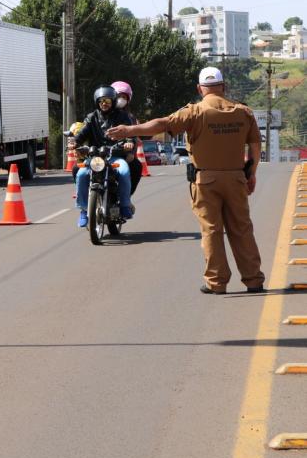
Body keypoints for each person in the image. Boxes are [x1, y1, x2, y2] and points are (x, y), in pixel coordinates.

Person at [106, 66, 265, 294]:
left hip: (206, 181)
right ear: (223, 86)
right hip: (236, 178)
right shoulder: (244, 112)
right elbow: (255, 146)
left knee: (211, 231)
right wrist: (251, 173)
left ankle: (217, 283)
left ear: (200, 89)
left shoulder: (194, 112)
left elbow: (162, 124)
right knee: (242, 229)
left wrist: (129, 130)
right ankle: (254, 280)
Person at [71, 85, 135, 228]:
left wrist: (129, 142)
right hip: (95, 157)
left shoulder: (122, 116)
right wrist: (74, 142)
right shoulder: (91, 117)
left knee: (124, 171)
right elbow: (81, 134)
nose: (104, 104)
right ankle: (83, 210)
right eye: (101, 101)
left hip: (114, 155)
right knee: (81, 174)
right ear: (97, 102)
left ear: (112, 101)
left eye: (107, 100)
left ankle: (125, 205)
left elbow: (130, 133)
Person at [111, 80, 143, 195]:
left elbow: (133, 136)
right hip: (100, 154)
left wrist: (131, 152)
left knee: (137, 167)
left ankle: (126, 198)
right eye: (118, 96)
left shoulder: (130, 118)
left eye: (123, 97)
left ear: (128, 100)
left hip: (122, 153)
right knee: (78, 169)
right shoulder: (98, 114)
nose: (120, 99)